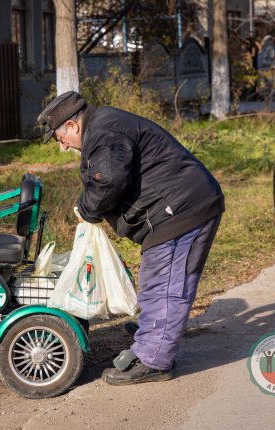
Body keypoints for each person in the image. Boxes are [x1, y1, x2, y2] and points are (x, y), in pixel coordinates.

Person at [38, 91, 224, 386]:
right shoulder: (104, 126)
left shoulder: (104, 132)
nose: (63, 146)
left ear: (72, 126)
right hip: (179, 205)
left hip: (180, 209)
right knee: (158, 280)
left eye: (61, 139)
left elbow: (108, 181)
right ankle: (156, 331)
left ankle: (154, 359)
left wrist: (87, 210)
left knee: (164, 284)